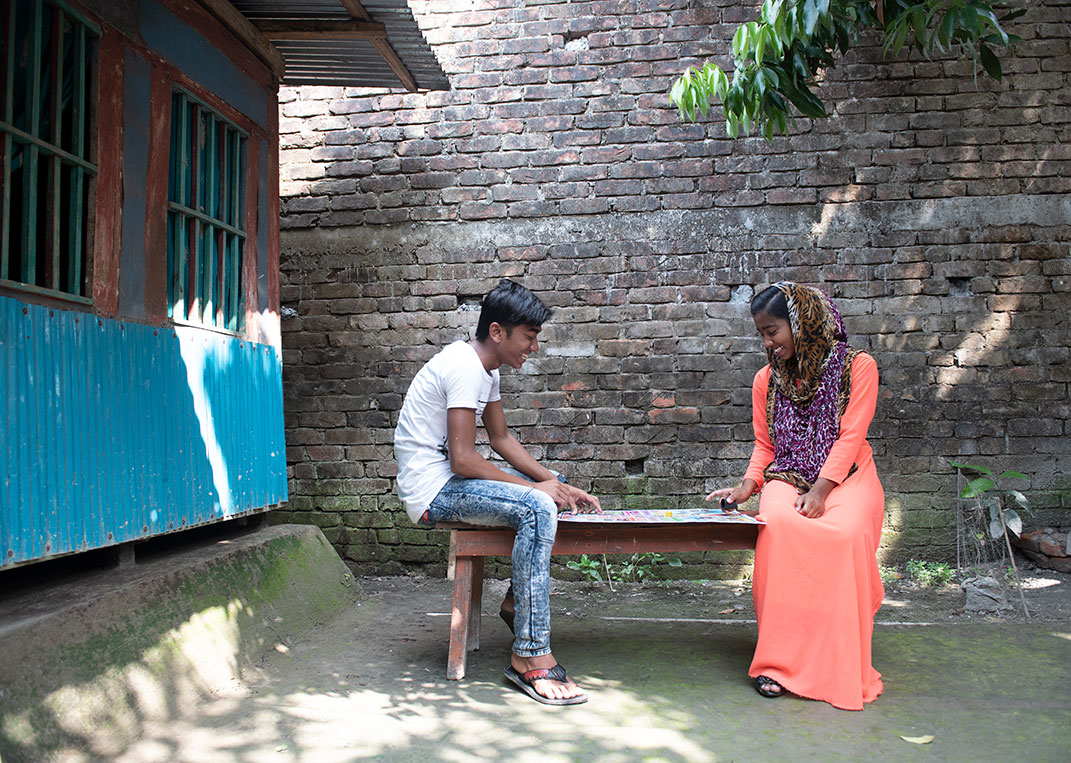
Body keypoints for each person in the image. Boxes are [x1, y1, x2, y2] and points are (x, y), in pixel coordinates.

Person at [394, 279, 601, 706]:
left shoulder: (484, 369)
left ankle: (515, 605)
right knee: (537, 506)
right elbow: (464, 459)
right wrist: (536, 490)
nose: (534, 347)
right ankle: (529, 657)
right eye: (529, 337)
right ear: (497, 332)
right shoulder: (465, 368)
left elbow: (503, 439)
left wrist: (556, 483)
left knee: (547, 497)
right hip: (434, 491)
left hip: (451, 481)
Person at [707, 282, 885, 711]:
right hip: (787, 475)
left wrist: (823, 490)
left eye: (773, 332)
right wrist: (747, 487)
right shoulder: (767, 378)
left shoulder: (857, 368)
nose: (768, 343)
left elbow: (850, 436)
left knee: (841, 535)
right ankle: (777, 663)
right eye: (762, 335)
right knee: (779, 524)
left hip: (849, 477)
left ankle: (836, 662)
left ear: (803, 323)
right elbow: (765, 446)